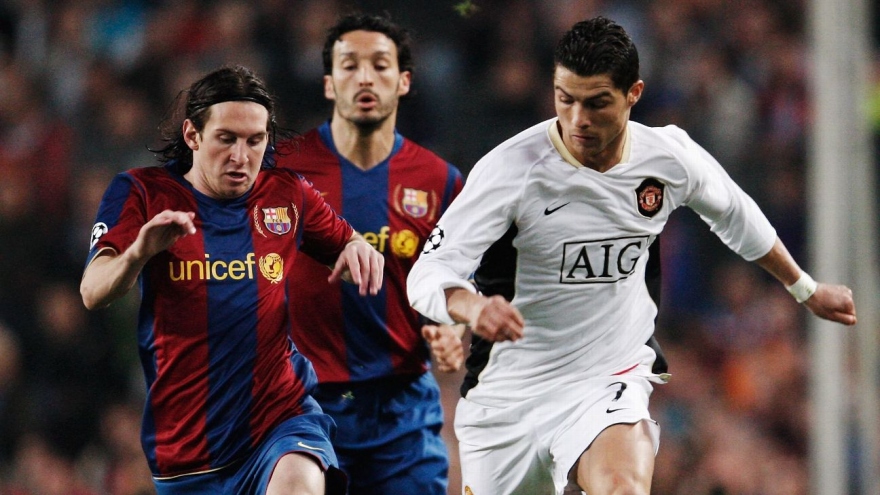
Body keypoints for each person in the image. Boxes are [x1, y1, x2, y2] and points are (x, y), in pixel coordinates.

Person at [407, 16, 857, 495]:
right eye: (566, 99)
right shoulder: (510, 169)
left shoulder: (667, 156)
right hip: (508, 397)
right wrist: (474, 307)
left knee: (623, 486)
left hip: (606, 377)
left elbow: (734, 213)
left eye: (596, 102)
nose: (578, 119)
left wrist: (804, 287)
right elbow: (428, 272)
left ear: (633, 94)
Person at [80, 65, 384, 495]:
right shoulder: (142, 192)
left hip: (281, 420)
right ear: (193, 134)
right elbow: (92, 291)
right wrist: (138, 252)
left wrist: (358, 250)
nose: (241, 156)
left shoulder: (287, 194)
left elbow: (351, 244)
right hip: (187, 450)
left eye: (255, 141)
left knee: (298, 484)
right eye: (227, 138)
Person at [274, 13, 465, 495]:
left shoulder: (441, 182)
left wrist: (453, 330)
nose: (364, 77)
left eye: (379, 65)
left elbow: (460, 283)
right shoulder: (278, 174)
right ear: (328, 83)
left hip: (402, 413)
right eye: (349, 65)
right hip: (300, 406)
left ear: (403, 81)